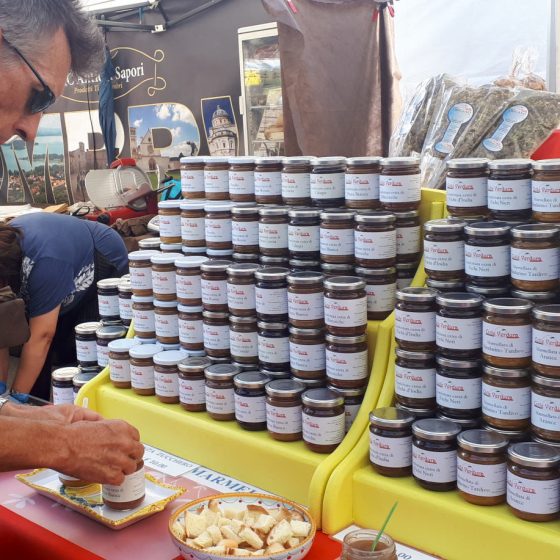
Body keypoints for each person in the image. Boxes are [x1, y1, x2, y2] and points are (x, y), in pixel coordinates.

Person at [0, 0, 143, 484]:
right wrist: (54, 441)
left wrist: (23, 415)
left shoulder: (43, 255)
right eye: (39, 97)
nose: (30, 129)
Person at [0, 213, 128, 401]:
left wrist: (14, 399)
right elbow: (2, 331)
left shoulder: (46, 263)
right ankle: (35, 407)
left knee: (85, 354)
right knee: (35, 340)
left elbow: (42, 337)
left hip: (101, 257)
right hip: (58, 255)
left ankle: (87, 414)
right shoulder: (7, 254)